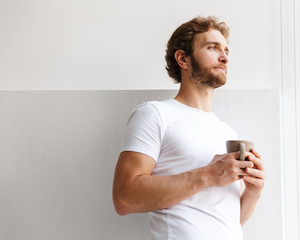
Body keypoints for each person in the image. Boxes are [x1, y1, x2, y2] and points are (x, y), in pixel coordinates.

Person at [112, 16, 265, 240]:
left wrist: (253, 192)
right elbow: (124, 198)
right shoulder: (155, 114)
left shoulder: (227, 132)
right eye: (212, 47)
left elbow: (228, 221)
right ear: (183, 58)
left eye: (226, 51)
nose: (224, 57)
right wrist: (209, 174)